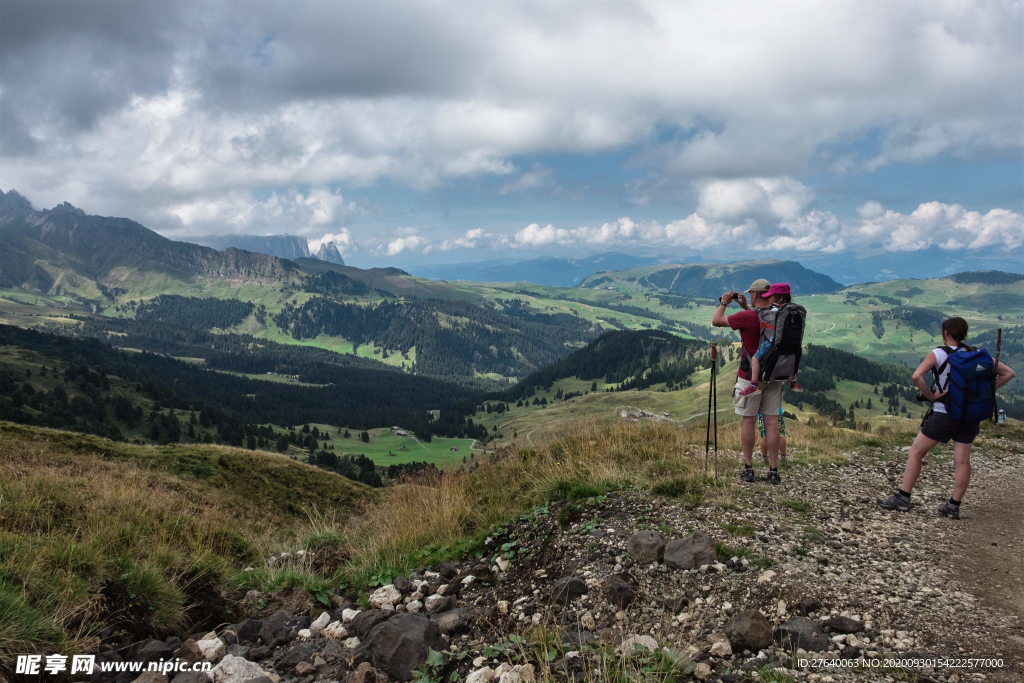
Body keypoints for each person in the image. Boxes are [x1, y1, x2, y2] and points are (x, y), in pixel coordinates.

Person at [878, 317, 1015, 519]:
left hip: (945, 413)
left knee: (916, 451)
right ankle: (954, 506)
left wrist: (932, 396)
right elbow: (1009, 373)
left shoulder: (939, 354)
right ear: (965, 334)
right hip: (970, 415)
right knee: (962, 460)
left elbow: (917, 376)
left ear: (946, 334)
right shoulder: (977, 354)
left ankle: (903, 498)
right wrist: (983, 392)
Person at [711, 278, 784, 484]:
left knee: (748, 421)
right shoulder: (779, 315)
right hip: (774, 376)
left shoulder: (747, 317)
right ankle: (773, 470)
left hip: (749, 376)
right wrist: (744, 306)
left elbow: (716, 320)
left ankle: (749, 467)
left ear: (754, 294)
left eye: (750, 293)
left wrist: (725, 302)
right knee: (771, 422)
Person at [737, 282, 804, 396]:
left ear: (778, 297)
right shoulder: (793, 309)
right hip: (792, 343)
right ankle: (794, 382)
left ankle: (753, 385)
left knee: (755, 359)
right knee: (794, 356)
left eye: (770, 296)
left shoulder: (773, 310)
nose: (768, 298)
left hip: (773, 341)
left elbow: (761, 317)